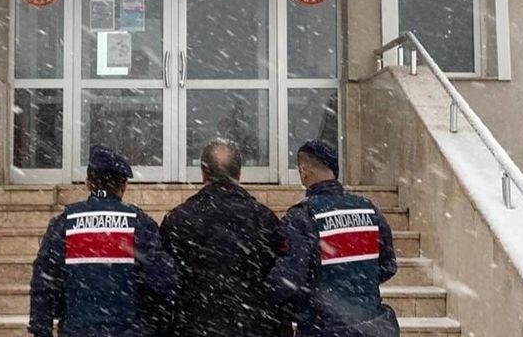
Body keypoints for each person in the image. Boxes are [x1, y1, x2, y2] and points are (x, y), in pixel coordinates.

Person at [28, 145, 177, 337]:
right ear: (123, 185)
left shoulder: (65, 223)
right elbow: (162, 282)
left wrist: (42, 329)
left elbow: (44, 283)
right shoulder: (139, 223)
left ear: (88, 184)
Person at [268, 140, 399, 337]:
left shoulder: (302, 216)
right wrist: (355, 288)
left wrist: (263, 297)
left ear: (304, 171)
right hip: (371, 325)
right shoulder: (368, 209)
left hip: (324, 327)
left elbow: (290, 277)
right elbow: (388, 266)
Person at [160, 138, 283, 337]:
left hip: (194, 324)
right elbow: (280, 277)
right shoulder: (264, 219)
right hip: (251, 326)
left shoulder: (178, 219)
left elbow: (165, 278)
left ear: (203, 173)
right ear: (239, 173)